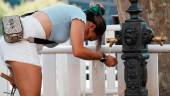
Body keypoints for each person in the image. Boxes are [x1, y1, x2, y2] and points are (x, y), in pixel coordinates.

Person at [0, 3, 117, 96]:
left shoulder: (68, 16)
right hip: (22, 42)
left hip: (13, 41)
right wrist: (103, 57)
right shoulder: (79, 15)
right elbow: (78, 50)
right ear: (92, 27)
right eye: (89, 37)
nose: (84, 38)